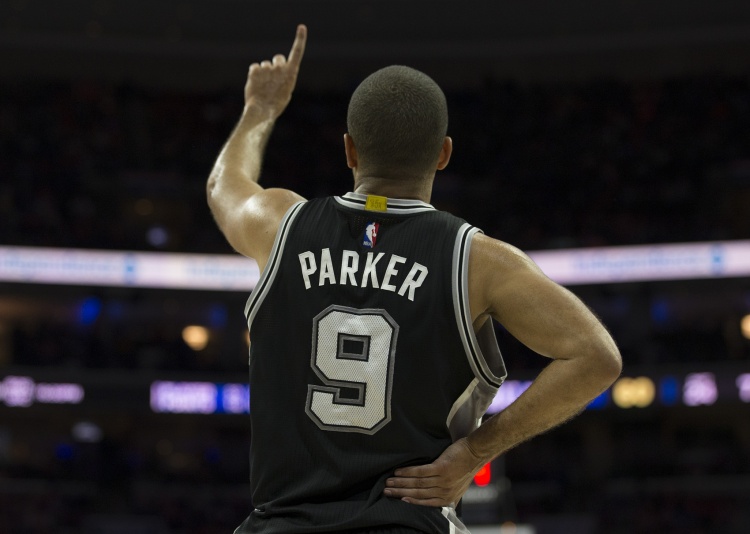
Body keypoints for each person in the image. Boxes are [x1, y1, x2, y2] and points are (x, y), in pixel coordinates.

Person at [207, 25, 622, 534]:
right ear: (444, 154)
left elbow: (223, 185)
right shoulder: (477, 260)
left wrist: (260, 109)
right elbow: (597, 356)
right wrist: (475, 452)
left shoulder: (280, 225)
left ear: (349, 151)